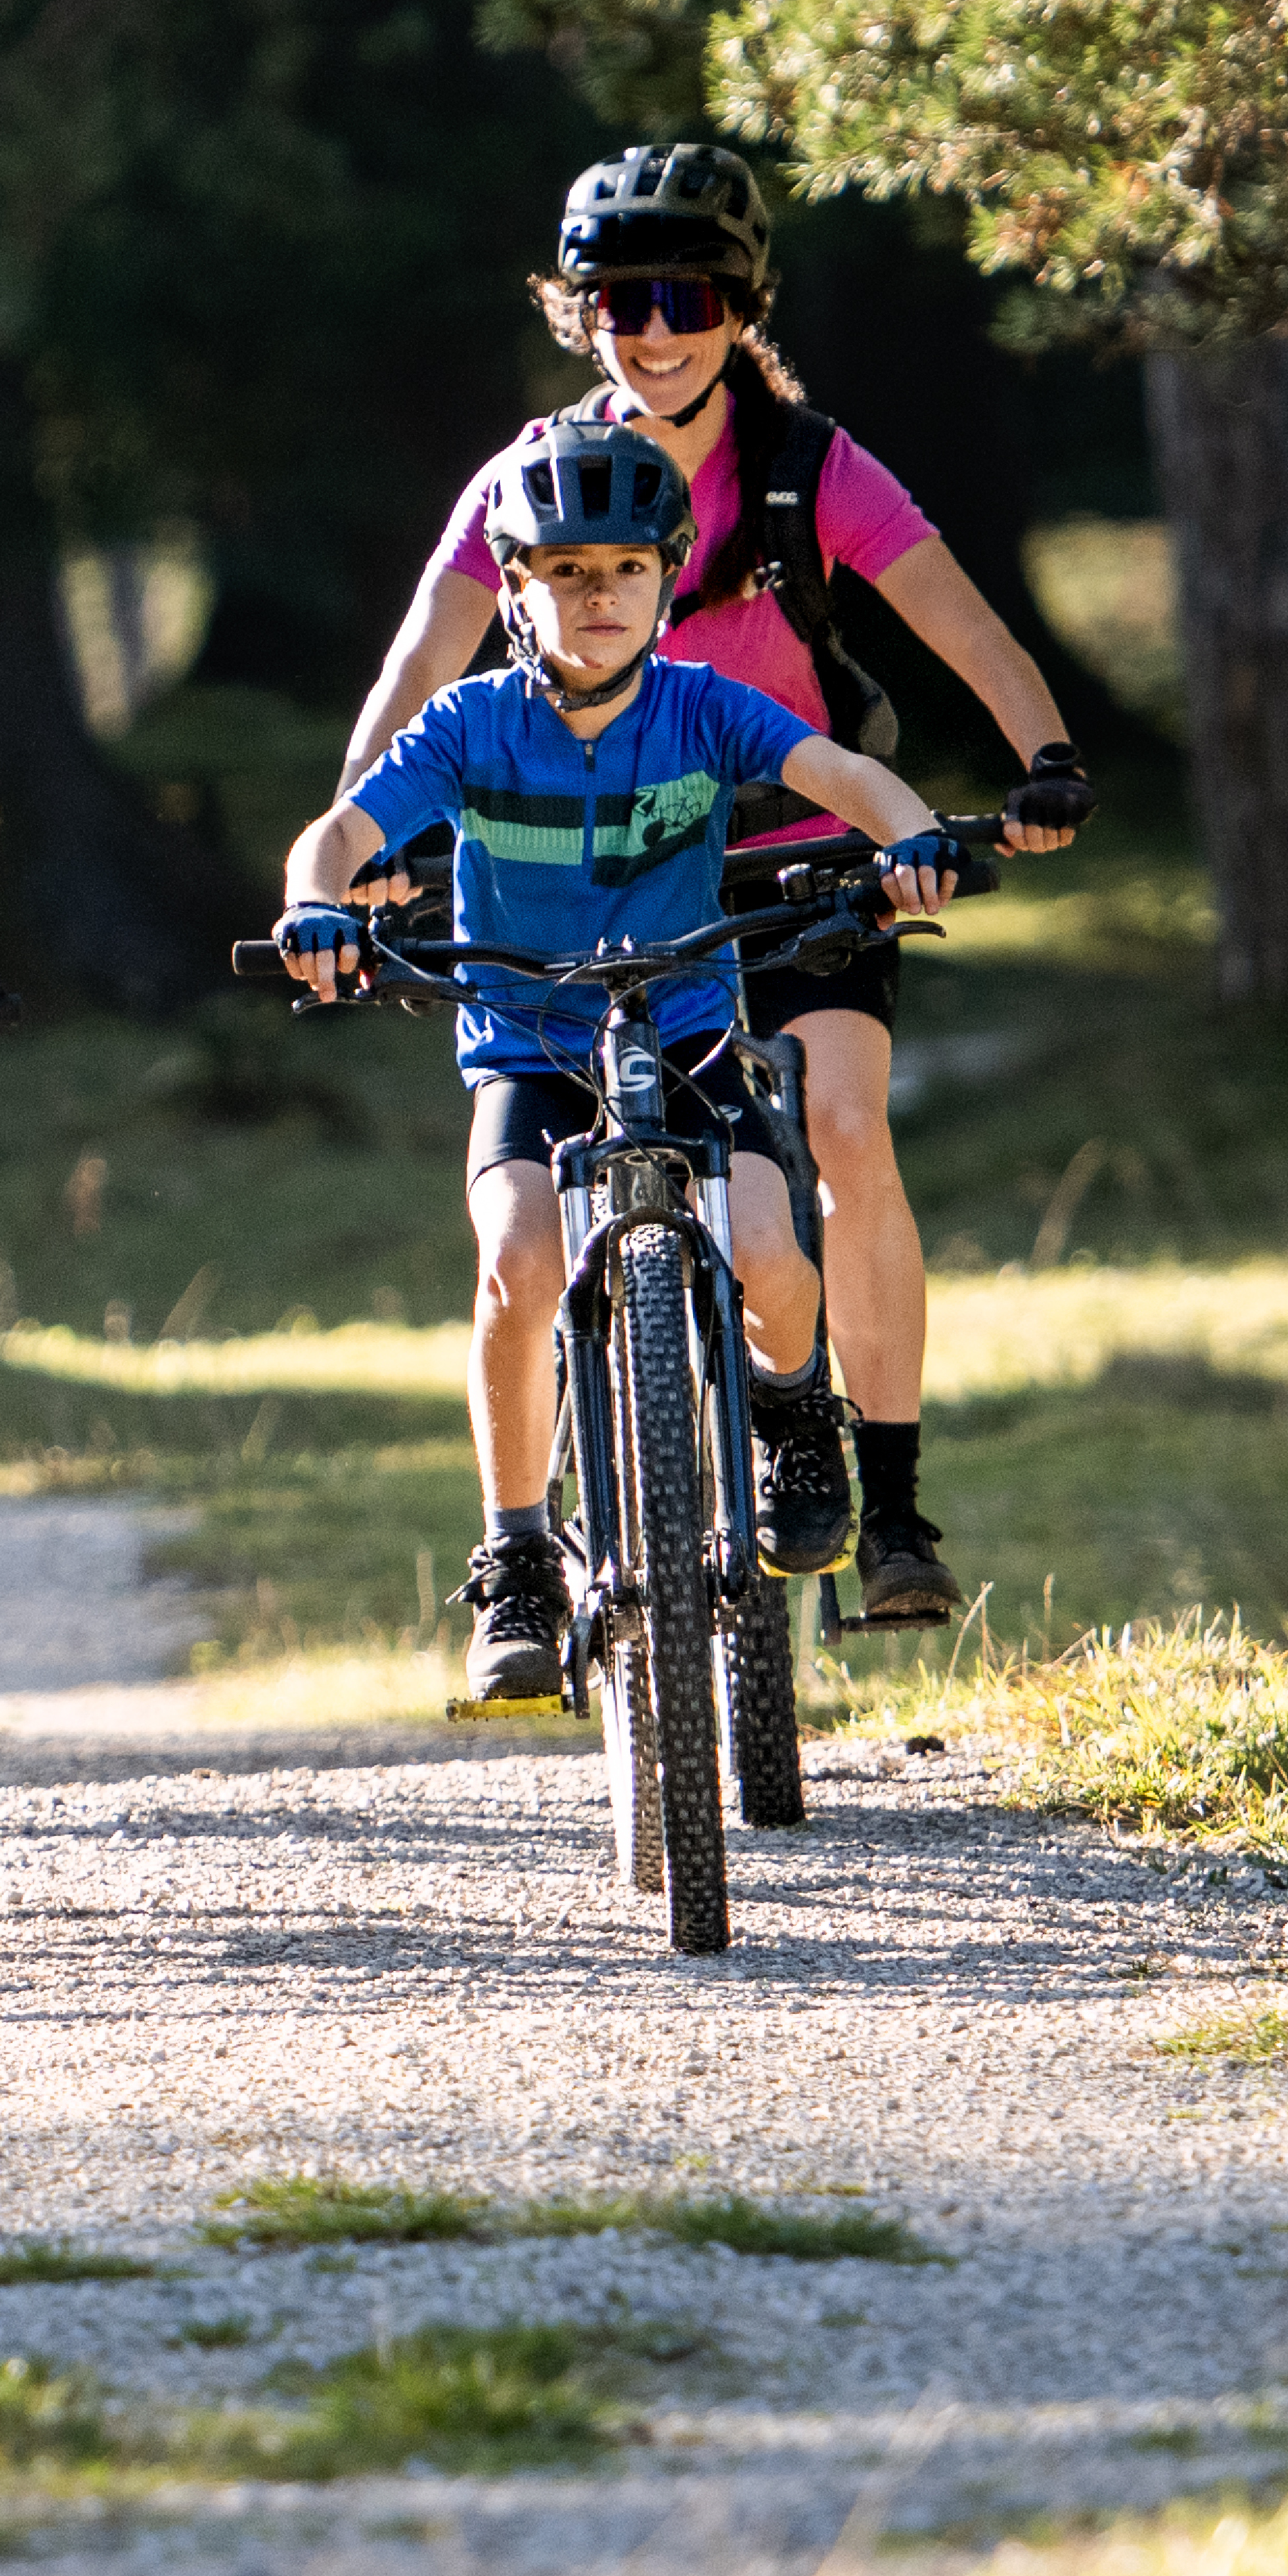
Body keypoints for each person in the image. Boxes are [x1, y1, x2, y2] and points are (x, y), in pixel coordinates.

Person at [341, 141, 1093, 1624]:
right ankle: (582, 1480)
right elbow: (423, 657)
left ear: (743, 307)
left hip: (801, 855)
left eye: (689, 297)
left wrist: (1047, 756)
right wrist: (354, 840)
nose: (656, 330)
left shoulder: (809, 468)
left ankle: (886, 1499)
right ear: (582, 315)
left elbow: (957, 615)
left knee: (842, 1125)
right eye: (621, 300)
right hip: (616, 874)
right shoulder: (536, 478)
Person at [279, 411, 971, 1714]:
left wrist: (912, 838)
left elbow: (844, 775)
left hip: (690, 1039)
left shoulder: (704, 708)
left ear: (667, 577)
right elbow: (337, 835)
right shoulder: (471, 726)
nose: (599, 596)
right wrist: (316, 905)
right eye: (566, 571)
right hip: (530, 1050)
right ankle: (517, 1562)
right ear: (514, 588)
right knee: (517, 1259)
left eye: (628, 570)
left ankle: (790, 1416)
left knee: (772, 1248)